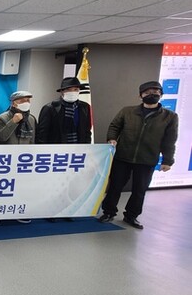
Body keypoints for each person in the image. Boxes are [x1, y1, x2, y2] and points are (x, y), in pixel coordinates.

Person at [98, 81, 178, 229]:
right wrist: (112, 138)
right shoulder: (127, 111)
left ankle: (131, 216)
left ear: (161, 95)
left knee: (139, 190)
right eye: (147, 93)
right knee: (115, 186)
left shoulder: (170, 116)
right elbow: (115, 126)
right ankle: (108, 212)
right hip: (123, 156)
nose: (151, 95)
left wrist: (168, 160)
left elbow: (170, 140)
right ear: (140, 96)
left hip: (147, 159)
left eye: (155, 92)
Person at [0, 91, 36, 223]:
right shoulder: (2, 118)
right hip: (6, 160)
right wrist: (13, 122)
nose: (26, 103)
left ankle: (19, 211)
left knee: (21, 187)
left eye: (28, 101)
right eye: (23, 101)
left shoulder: (31, 119)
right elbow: (1, 137)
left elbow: (32, 140)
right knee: (4, 188)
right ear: (14, 103)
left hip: (24, 160)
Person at [37, 77, 92, 144]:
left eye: (75, 89)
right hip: (56, 148)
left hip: (79, 147)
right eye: (68, 90)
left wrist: (86, 147)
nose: (72, 92)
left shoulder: (84, 107)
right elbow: (42, 134)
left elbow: (87, 131)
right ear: (62, 92)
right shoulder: (50, 108)